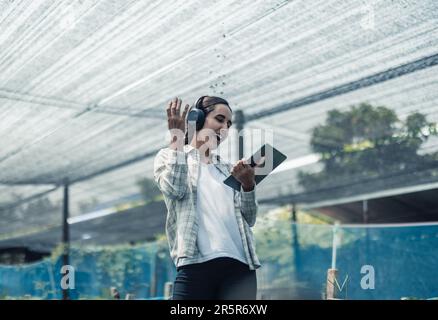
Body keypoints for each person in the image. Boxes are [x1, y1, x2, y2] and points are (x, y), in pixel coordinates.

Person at [153, 96, 261, 300]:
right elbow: (174, 189)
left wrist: (248, 185)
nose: (224, 128)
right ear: (198, 118)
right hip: (195, 265)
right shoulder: (169, 156)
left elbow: (250, 218)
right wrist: (177, 137)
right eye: (219, 119)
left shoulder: (230, 170)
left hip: (240, 268)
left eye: (229, 124)